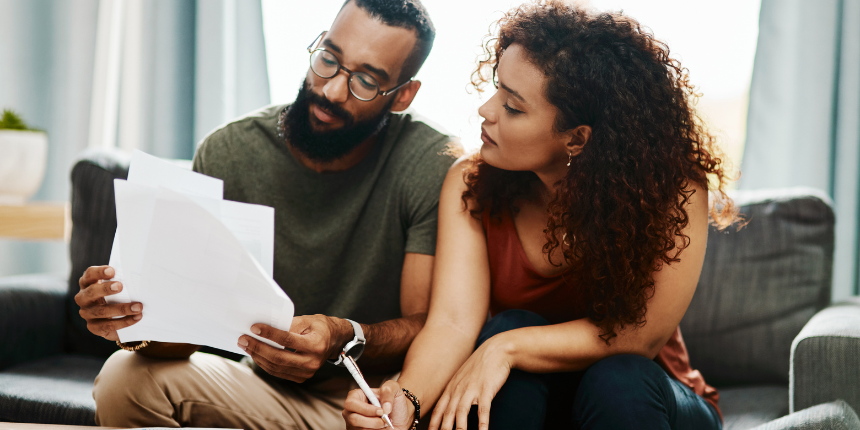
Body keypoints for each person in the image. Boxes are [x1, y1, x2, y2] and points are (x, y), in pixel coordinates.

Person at [342, 2, 740, 429]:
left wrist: (506, 348)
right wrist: (405, 401)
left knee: (614, 376)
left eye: (513, 107)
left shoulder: (675, 191)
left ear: (577, 139)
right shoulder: (470, 183)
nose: (486, 110)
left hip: (646, 401)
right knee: (507, 332)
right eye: (497, 89)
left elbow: (640, 337)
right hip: (539, 409)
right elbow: (454, 323)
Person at [74, 1, 458, 429]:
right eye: (329, 59)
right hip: (260, 388)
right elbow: (183, 335)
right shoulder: (231, 151)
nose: (331, 91)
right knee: (124, 378)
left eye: (366, 81)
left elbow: (426, 323)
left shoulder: (430, 163)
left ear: (403, 94)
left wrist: (342, 336)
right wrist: (131, 323)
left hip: (370, 402)